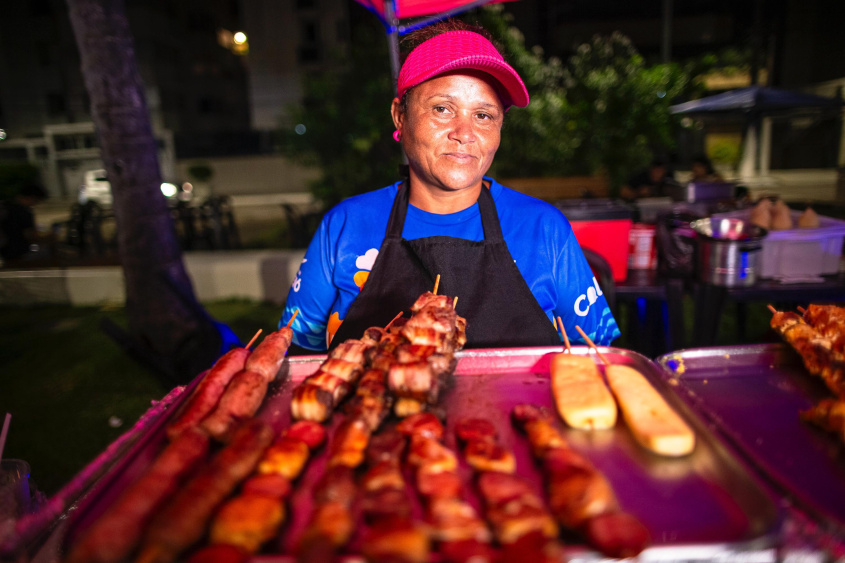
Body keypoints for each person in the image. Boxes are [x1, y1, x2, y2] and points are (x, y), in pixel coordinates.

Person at [280, 21, 619, 351]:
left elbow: (597, 355)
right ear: (400, 115)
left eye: (483, 115)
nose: (465, 133)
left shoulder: (544, 227)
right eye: (442, 109)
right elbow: (296, 355)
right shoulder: (344, 225)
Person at [0, 184, 48, 264]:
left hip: (5, 253)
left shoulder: (6, 207)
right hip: (21, 254)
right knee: (48, 251)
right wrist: (49, 238)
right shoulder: (25, 212)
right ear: (33, 198)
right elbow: (31, 237)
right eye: (37, 201)